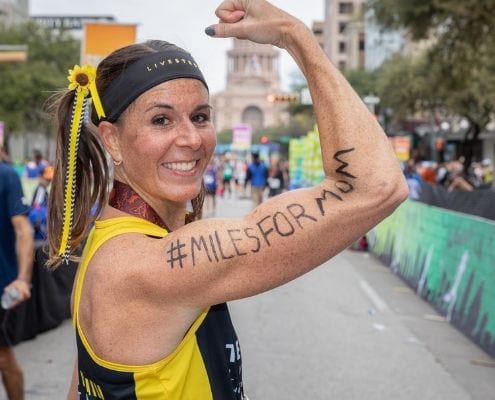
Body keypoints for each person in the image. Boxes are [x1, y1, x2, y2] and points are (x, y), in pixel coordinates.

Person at [46, 1, 407, 398]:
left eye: (201, 116)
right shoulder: (149, 266)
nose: (191, 138)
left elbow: (81, 386)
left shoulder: (109, 242)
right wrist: (297, 37)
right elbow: (373, 187)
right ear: (111, 139)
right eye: (161, 120)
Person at [0, 145, 34, 400]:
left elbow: (24, 231)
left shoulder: (7, 176)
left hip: (3, 285)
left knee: (3, 356)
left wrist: (22, 279)